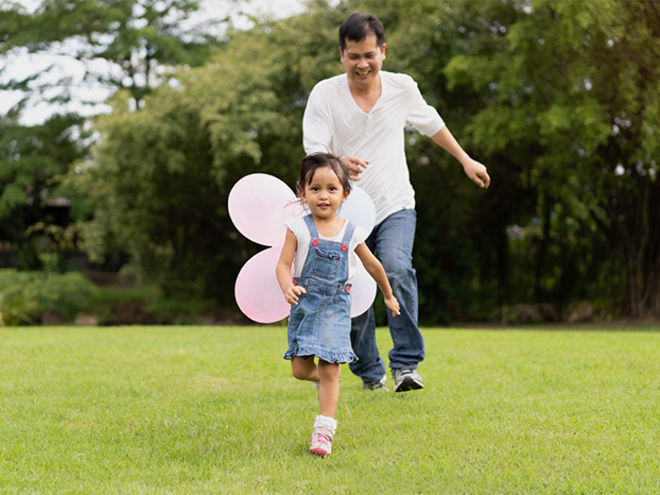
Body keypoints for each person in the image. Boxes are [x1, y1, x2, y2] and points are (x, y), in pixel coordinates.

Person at [302, 12, 490, 393]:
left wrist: (465, 159)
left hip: (394, 204)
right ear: (342, 55)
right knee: (350, 288)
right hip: (345, 211)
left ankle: (406, 365)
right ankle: (370, 372)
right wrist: (337, 165)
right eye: (353, 56)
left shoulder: (402, 88)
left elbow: (431, 122)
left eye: (369, 54)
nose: (362, 64)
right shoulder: (325, 93)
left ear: (383, 52)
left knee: (396, 268)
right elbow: (314, 149)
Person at [276, 152, 400, 457]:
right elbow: (283, 264)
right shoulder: (298, 227)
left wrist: (388, 294)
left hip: (335, 308)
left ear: (345, 194)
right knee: (300, 370)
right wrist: (287, 285)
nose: (323, 195)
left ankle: (323, 432)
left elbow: (373, 266)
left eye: (332, 189)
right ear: (302, 192)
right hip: (305, 306)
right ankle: (326, 379)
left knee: (330, 368)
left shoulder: (352, 232)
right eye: (315, 188)